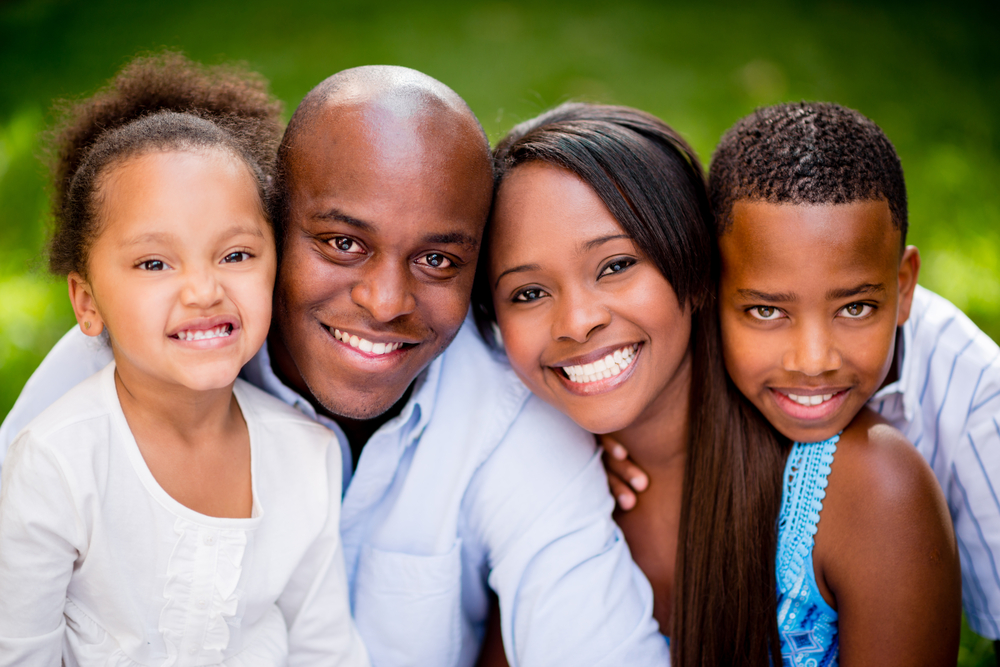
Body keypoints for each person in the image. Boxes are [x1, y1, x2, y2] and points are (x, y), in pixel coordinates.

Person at [0, 66, 668, 666]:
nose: (385, 301)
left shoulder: (510, 414)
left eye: (438, 259)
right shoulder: (119, 374)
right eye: (343, 243)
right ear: (268, 227)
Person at [474, 101, 960, 665]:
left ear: (696, 259)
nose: (578, 321)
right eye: (528, 293)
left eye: (615, 266)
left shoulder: (867, 489)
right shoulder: (536, 486)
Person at [0, 53, 369, 665]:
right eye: (154, 263)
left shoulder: (307, 455)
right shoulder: (56, 465)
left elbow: (324, 650)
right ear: (87, 303)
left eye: (236, 255)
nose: (203, 290)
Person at [608, 101, 1000, 652]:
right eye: (767, 311)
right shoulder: (650, 381)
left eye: (856, 308)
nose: (813, 360)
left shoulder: (975, 394)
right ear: (712, 288)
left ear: (904, 286)